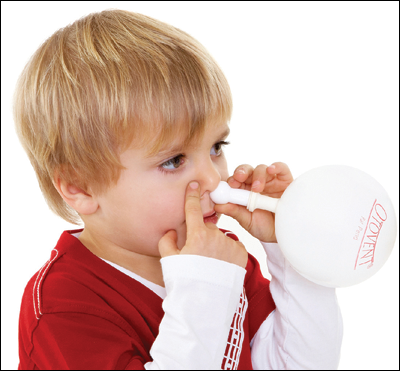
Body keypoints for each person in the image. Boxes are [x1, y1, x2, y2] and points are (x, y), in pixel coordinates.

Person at [15, 9, 343, 370]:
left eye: (217, 147)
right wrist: (204, 288)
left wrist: (291, 248)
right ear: (79, 187)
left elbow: (300, 364)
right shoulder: (63, 306)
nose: (214, 179)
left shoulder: (219, 260)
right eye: (174, 160)